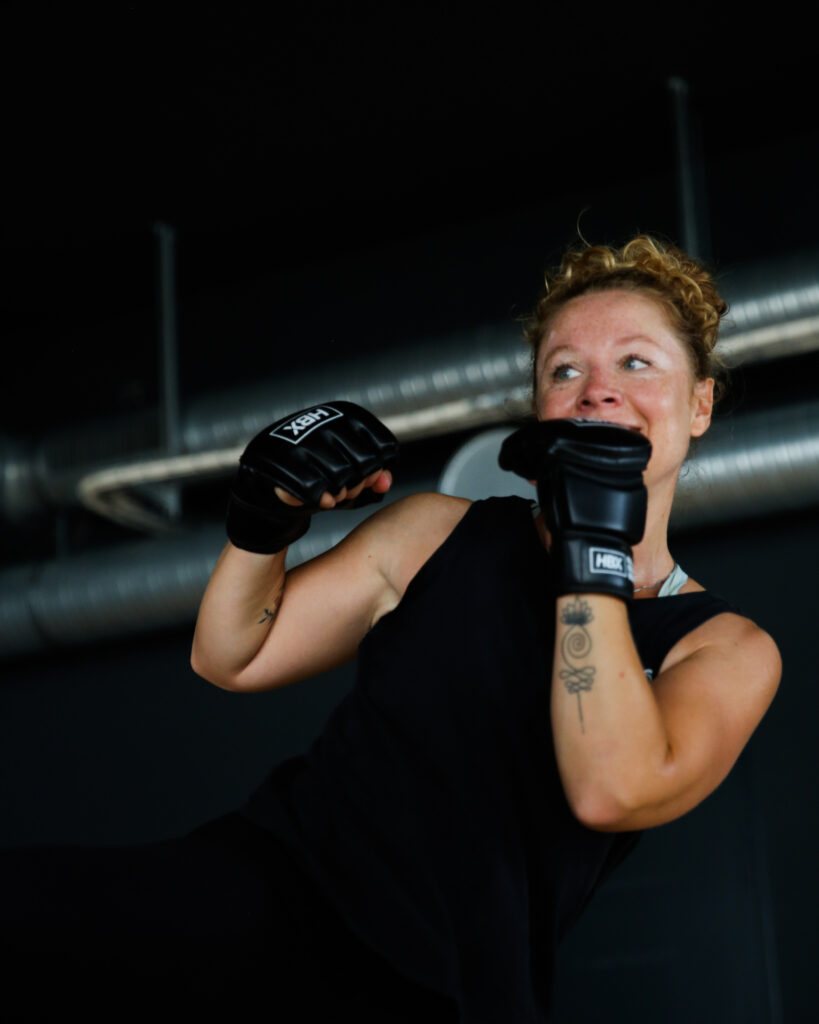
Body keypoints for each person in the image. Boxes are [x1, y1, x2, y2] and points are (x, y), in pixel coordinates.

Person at [1, 236, 780, 1023]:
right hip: (271, 894)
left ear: (699, 405)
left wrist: (591, 554)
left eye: (636, 362)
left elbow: (609, 790)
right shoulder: (438, 533)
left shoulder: (721, 648)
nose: (595, 392)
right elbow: (232, 655)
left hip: (447, 986)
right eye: (563, 370)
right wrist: (262, 520)